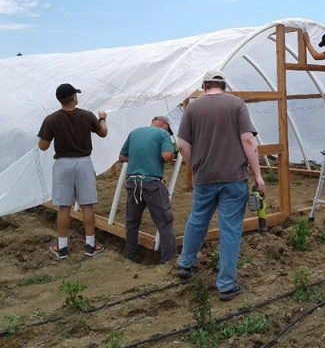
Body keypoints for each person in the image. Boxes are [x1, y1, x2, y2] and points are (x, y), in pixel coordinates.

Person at [176, 70, 265, 301]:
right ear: (223, 85)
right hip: (233, 177)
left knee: (197, 219)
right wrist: (258, 175)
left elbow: (182, 144)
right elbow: (248, 140)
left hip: (204, 177)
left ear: (204, 85)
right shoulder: (236, 104)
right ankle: (225, 285)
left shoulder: (192, 108)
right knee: (230, 229)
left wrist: (194, 166)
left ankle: (185, 263)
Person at [38, 83, 108, 259]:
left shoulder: (51, 119)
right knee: (87, 205)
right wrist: (102, 119)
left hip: (63, 164)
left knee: (64, 206)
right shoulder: (87, 115)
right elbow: (103, 133)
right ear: (74, 98)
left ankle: (62, 249)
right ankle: (91, 246)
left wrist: (44, 137)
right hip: (83, 162)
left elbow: (43, 146)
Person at [118, 116, 177, 264]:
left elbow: (122, 157)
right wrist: (172, 152)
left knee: (132, 222)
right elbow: (166, 156)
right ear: (164, 125)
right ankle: (168, 260)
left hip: (133, 183)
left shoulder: (134, 133)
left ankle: (131, 256)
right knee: (164, 221)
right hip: (152, 184)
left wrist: (140, 157)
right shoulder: (162, 134)